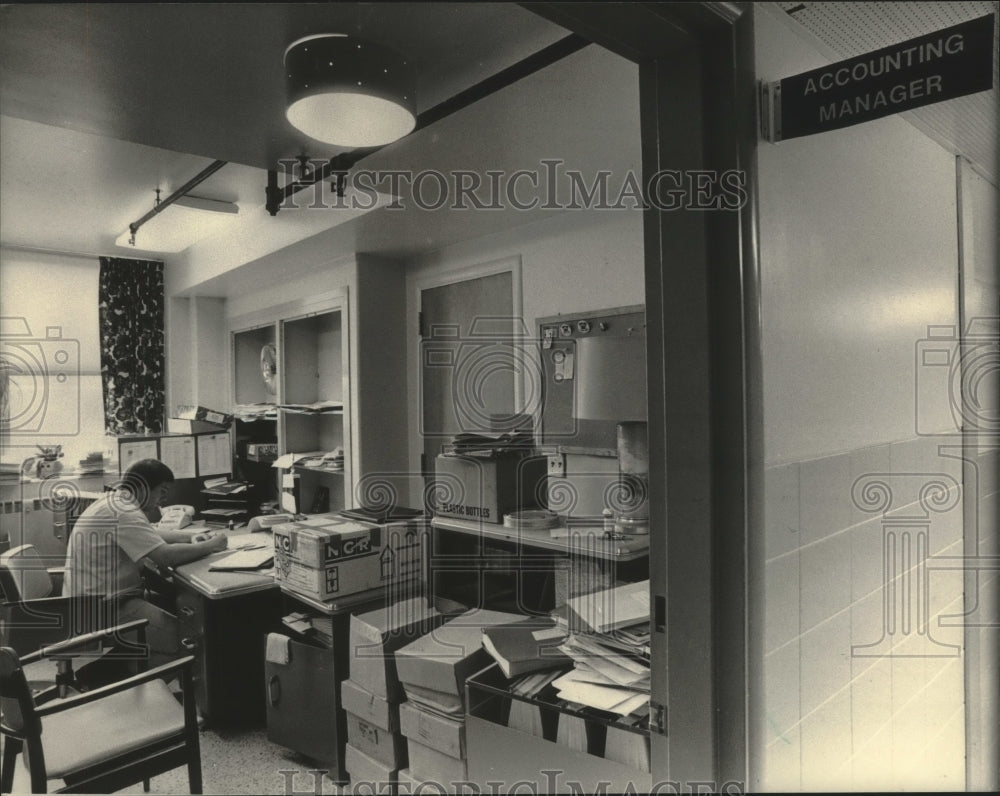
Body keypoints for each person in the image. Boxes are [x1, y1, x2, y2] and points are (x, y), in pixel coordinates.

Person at [64, 458, 228, 670]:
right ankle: (108, 680)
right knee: (192, 643)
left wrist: (189, 537)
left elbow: (149, 534)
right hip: (108, 609)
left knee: (181, 618)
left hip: (95, 604)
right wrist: (212, 545)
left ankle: (116, 675)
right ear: (142, 487)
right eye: (162, 491)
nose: (163, 499)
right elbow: (166, 557)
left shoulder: (114, 502)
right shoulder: (124, 511)